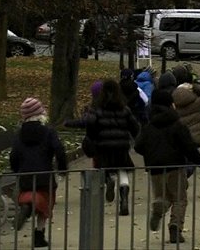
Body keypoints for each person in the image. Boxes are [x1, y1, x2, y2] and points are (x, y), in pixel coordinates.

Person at [134, 90, 200, 244]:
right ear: (170, 104)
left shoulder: (148, 126)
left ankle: (159, 207)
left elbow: (138, 146)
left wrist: (151, 153)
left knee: (163, 195)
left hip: (155, 168)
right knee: (179, 198)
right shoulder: (177, 124)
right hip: (175, 165)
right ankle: (175, 227)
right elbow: (189, 147)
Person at [64, 79, 140, 216]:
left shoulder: (97, 110)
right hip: (121, 146)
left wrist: (92, 137)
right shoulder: (124, 109)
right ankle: (124, 200)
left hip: (103, 146)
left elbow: (90, 125)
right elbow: (135, 126)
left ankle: (109, 180)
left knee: (104, 168)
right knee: (123, 171)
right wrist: (131, 137)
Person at [10, 98, 67, 248]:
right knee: (46, 204)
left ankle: (27, 205)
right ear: (40, 114)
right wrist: (62, 169)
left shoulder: (19, 134)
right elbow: (59, 150)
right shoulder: (48, 132)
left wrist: (17, 170)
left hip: (26, 176)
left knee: (29, 193)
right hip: (45, 175)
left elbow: (14, 155)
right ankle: (39, 235)